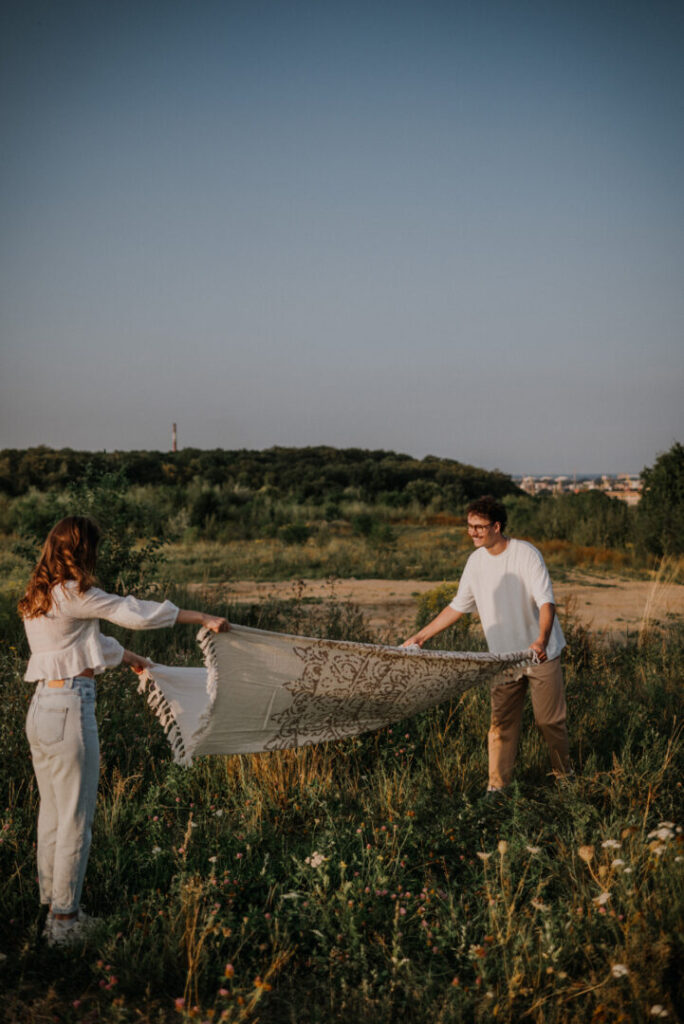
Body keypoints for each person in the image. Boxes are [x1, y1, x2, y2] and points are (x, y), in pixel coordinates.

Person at [19, 515, 230, 947]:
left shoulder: (38, 596)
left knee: (53, 814)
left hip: (41, 708)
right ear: (81, 550)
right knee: (77, 818)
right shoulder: (74, 592)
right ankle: (65, 923)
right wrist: (201, 616)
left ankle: (51, 910)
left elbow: (76, 644)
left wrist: (131, 658)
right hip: (69, 707)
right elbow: (131, 611)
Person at [402, 495, 571, 794]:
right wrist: (420, 637)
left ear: (496, 526)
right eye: (469, 526)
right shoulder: (475, 562)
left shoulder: (526, 554)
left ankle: (564, 779)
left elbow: (547, 601)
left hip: (539, 654)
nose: (472, 533)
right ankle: (497, 789)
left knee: (550, 723)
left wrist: (541, 640)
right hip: (503, 658)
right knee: (500, 726)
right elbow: (458, 606)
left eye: (479, 527)